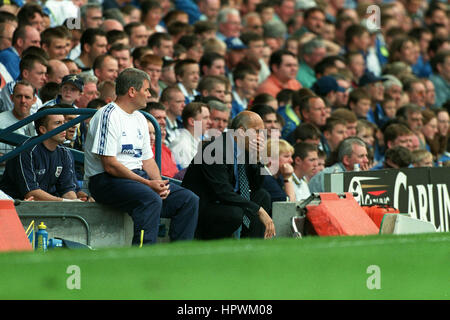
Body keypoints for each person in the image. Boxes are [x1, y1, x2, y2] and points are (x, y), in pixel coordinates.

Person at [84, 68, 199, 245]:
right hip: (105, 180)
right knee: (150, 198)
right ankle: (143, 256)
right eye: (146, 90)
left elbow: (147, 159)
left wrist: (159, 184)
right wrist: (147, 184)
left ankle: (180, 257)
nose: (149, 94)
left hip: (136, 178)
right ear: (132, 91)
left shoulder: (139, 118)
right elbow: (110, 165)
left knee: (188, 200)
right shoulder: (108, 115)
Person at [181, 110, 276, 240]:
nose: (261, 137)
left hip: (225, 200)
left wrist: (258, 159)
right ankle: (211, 243)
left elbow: (256, 186)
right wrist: (258, 210)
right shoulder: (215, 149)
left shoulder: (247, 148)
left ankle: (251, 245)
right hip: (204, 204)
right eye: (257, 132)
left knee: (262, 196)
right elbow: (223, 192)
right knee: (234, 213)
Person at [0, 105, 79, 201]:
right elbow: (31, 193)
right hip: (15, 208)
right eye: (58, 123)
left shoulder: (65, 152)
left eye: (64, 122)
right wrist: (64, 202)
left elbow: (67, 190)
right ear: (43, 130)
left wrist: (75, 203)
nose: (64, 127)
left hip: (47, 208)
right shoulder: (27, 151)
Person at [169, 102, 211, 169]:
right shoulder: (181, 145)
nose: (210, 122)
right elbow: (186, 175)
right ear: (192, 122)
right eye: (205, 118)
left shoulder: (198, 139)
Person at [0, 80, 37, 155]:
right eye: (19, 96)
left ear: (34, 100)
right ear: (11, 98)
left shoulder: (39, 123)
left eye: (27, 97)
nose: (23, 100)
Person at [262, 138, 296, 204]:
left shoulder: (278, 176)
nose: (291, 160)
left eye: (291, 156)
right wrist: (287, 178)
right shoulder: (265, 178)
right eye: (286, 156)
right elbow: (288, 206)